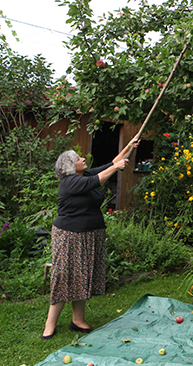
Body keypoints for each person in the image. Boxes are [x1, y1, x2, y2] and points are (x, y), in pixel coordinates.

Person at [41, 138, 138, 340]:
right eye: (78, 158)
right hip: (69, 236)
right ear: (70, 166)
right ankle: (49, 324)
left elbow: (111, 164)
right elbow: (99, 179)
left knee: (82, 275)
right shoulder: (70, 182)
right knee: (64, 277)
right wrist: (117, 167)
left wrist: (129, 146)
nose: (83, 158)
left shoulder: (83, 174)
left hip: (89, 233)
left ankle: (78, 320)